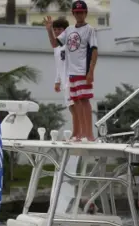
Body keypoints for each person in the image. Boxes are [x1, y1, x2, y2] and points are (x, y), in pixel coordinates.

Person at [43, 1, 98, 142]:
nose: (79, 14)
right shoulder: (69, 30)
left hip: (82, 71)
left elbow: (94, 51)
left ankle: (89, 134)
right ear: (73, 14)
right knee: (76, 103)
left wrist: (90, 71)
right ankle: (80, 134)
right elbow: (55, 44)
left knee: (85, 101)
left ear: (86, 13)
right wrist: (49, 30)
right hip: (71, 73)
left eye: (82, 12)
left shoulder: (90, 30)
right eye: (77, 12)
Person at [51, 17, 75, 138]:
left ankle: (78, 132)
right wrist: (57, 81)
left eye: (59, 29)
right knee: (70, 107)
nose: (56, 31)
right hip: (64, 81)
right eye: (54, 29)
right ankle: (77, 132)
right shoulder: (57, 47)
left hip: (72, 80)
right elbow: (58, 65)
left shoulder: (68, 44)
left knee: (75, 107)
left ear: (65, 30)